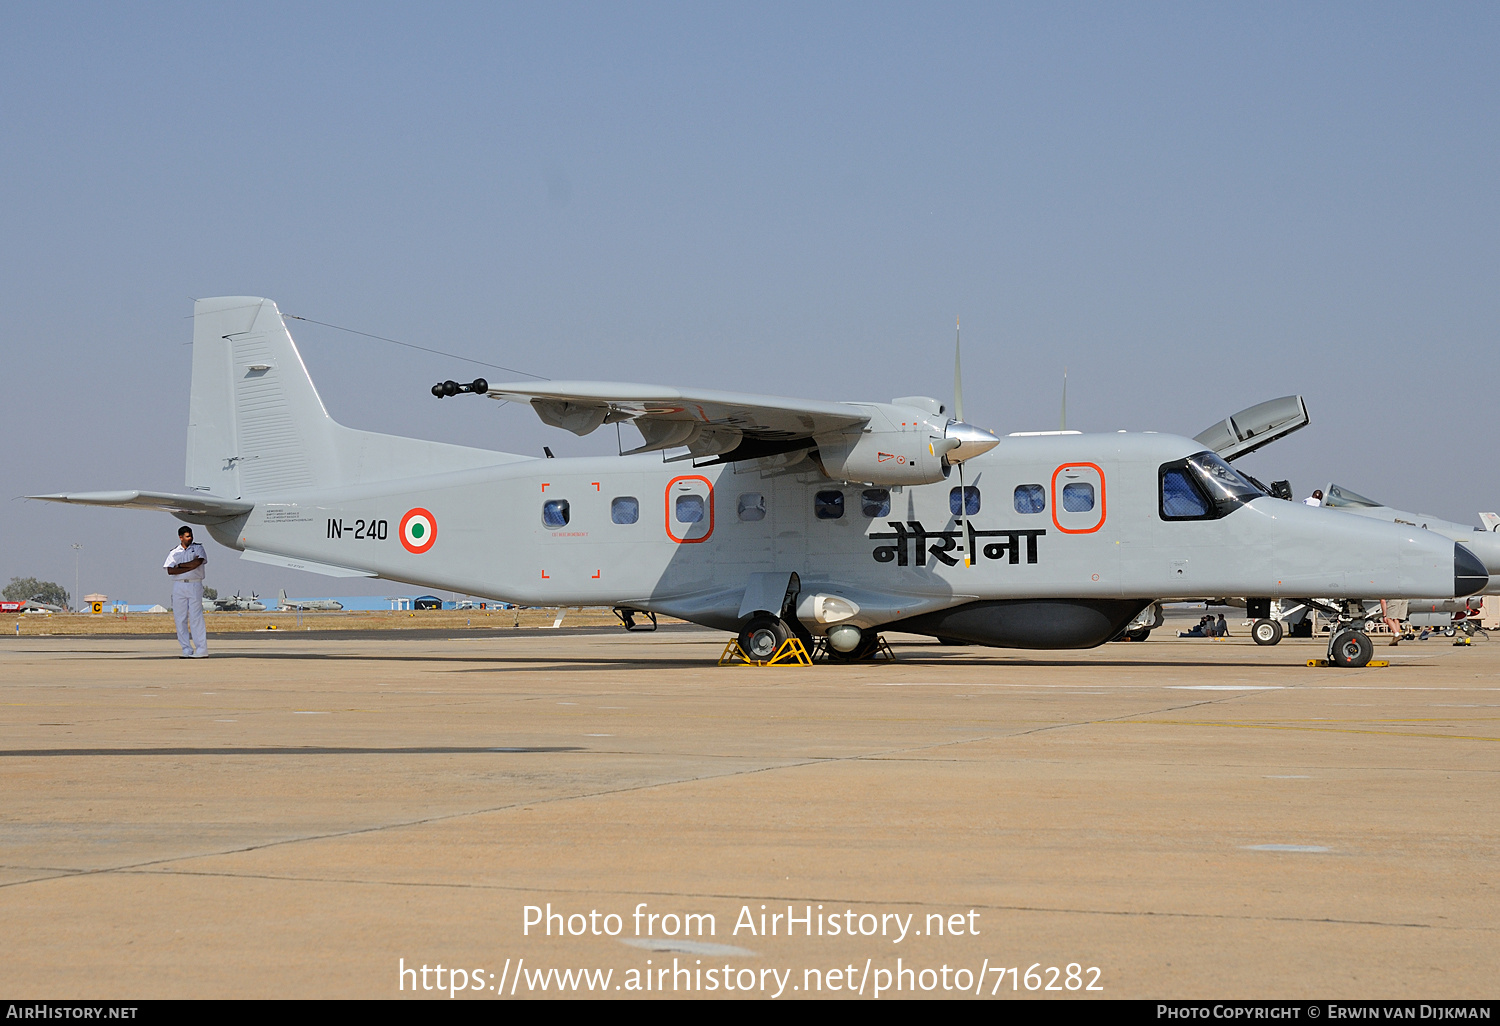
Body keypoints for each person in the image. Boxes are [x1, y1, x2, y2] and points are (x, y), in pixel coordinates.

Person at [164, 525, 209, 657]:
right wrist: (189, 566)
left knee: (196, 617)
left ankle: (201, 649)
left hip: (194, 585)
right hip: (179, 586)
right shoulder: (174, 552)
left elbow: (198, 563)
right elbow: (170, 570)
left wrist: (181, 566)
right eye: (187, 536)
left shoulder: (198, 548)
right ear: (181, 537)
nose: (190, 538)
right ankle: (186, 649)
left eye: (191, 536)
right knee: (180, 618)